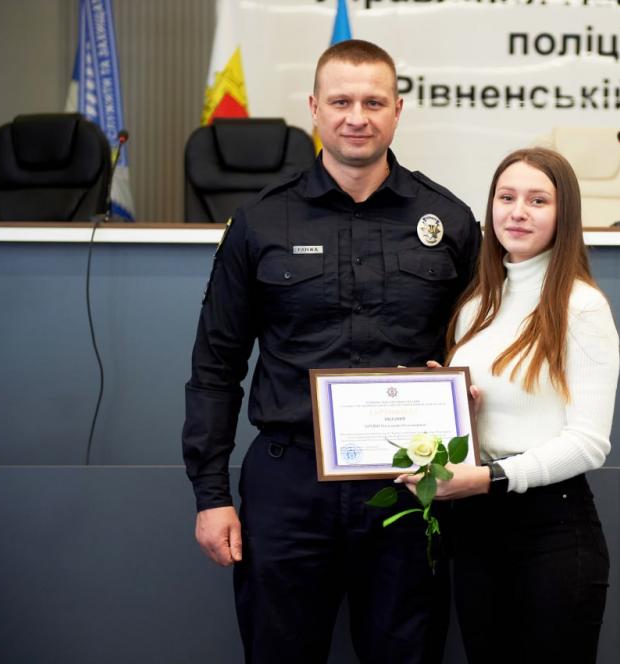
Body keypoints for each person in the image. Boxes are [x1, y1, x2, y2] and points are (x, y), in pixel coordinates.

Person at [182, 40, 481, 664]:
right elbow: (215, 368)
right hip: (289, 480)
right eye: (341, 102)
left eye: (374, 102)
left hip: (412, 482)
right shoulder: (261, 222)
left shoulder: (449, 220)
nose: (357, 117)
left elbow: (486, 349)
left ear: (398, 110)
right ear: (314, 108)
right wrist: (211, 495)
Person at [401, 147, 620, 662]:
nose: (518, 212)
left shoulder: (581, 306)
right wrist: (460, 412)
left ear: (564, 214)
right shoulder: (476, 304)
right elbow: (502, 419)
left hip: (552, 533)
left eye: (538, 200)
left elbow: (589, 444)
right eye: (506, 197)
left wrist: (489, 478)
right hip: (476, 532)